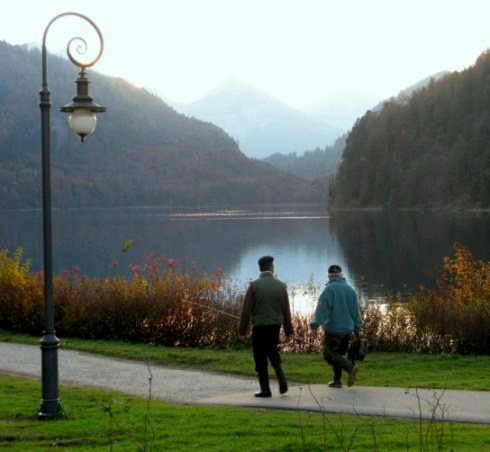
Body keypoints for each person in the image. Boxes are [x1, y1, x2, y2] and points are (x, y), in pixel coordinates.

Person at [238, 255, 294, 397]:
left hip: (259, 326)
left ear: (260, 268)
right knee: (272, 351)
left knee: (260, 356)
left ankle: (265, 389)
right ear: (271, 267)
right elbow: (286, 311)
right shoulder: (281, 286)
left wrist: (242, 331)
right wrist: (289, 331)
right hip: (275, 326)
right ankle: (281, 376)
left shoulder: (254, 286)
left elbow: (246, 311)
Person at [310, 264, 363, 388]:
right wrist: (357, 327)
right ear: (341, 275)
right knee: (338, 354)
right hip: (347, 330)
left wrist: (315, 324)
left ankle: (350, 368)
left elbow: (322, 310)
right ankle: (337, 381)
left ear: (329, 276)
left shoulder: (329, 290)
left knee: (329, 354)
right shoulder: (350, 290)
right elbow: (355, 311)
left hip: (333, 330)